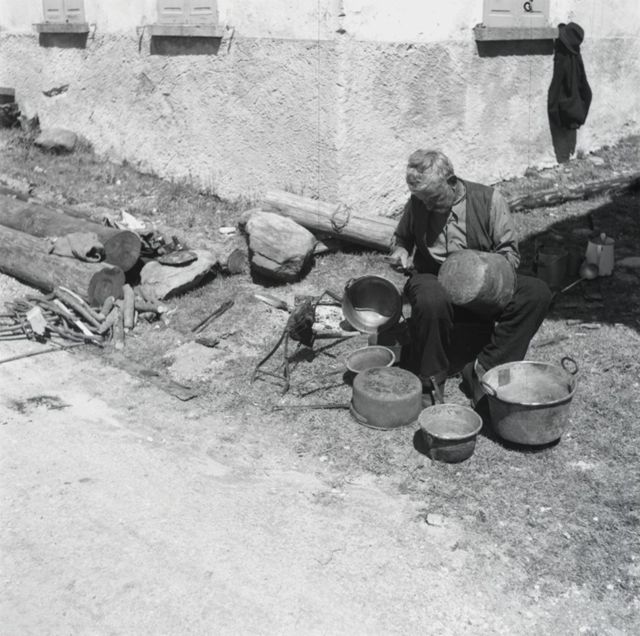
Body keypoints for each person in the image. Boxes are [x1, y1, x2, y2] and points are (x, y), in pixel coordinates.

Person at [389, 149, 552, 406]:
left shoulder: (488, 200)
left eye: (433, 198)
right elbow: (402, 238)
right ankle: (431, 381)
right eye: (422, 199)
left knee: (536, 293)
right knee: (431, 298)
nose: (427, 206)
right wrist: (400, 251)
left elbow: (509, 253)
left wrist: (485, 280)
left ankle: (485, 368)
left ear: (451, 182)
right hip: (433, 275)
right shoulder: (419, 201)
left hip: (483, 281)